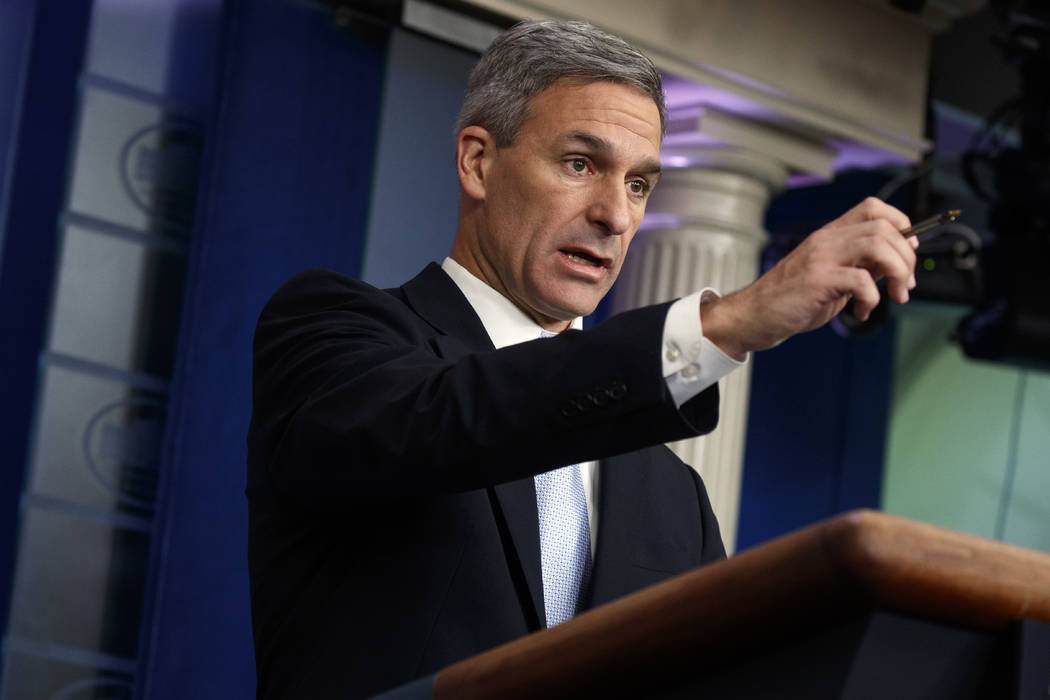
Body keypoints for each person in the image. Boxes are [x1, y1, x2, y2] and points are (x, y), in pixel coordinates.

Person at [246, 19, 917, 700]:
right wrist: (732, 320)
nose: (616, 216)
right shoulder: (333, 332)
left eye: (638, 185)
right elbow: (461, 416)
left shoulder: (673, 498)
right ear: (478, 161)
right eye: (581, 164)